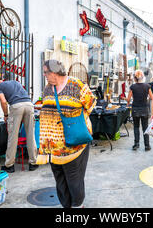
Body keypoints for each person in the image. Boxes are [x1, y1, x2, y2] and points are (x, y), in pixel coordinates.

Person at [38, 59, 96, 208]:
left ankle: (77, 205)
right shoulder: (47, 89)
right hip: (53, 147)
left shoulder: (76, 85)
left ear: (54, 72)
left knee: (74, 179)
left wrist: (76, 122)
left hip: (74, 144)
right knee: (60, 180)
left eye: (46, 72)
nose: (44, 75)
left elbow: (91, 104)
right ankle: (67, 206)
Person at [0, 78, 38, 173]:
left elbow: (3, 101)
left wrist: (6, 115)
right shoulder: (15, 82)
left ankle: (9, 165)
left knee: (13, 137)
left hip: (16, 106)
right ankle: (33, 163)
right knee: (30, 135)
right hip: (29, 105)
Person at [126, 70, 153, 151]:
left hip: (135, 109)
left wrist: (126, 100)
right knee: (145, 128)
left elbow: (128, 99)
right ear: (143, 77)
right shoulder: (147, 86)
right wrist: (146, 98)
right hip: (145, 109)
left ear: (135, 78)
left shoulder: (133, 87)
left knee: (136, 127)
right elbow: (152, 98)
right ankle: (147, 145)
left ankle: (136, 144)